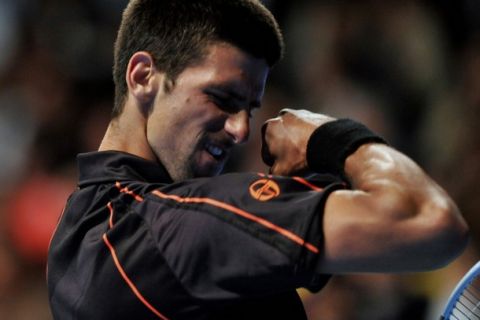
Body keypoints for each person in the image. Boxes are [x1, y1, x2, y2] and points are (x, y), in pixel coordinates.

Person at [47, 0, 469, 319]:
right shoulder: (176, 227)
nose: (241, 130)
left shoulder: (76, 231)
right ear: (143, 76)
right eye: (222, 98)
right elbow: (427, 220)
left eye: (250, 108)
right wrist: (331, 137)